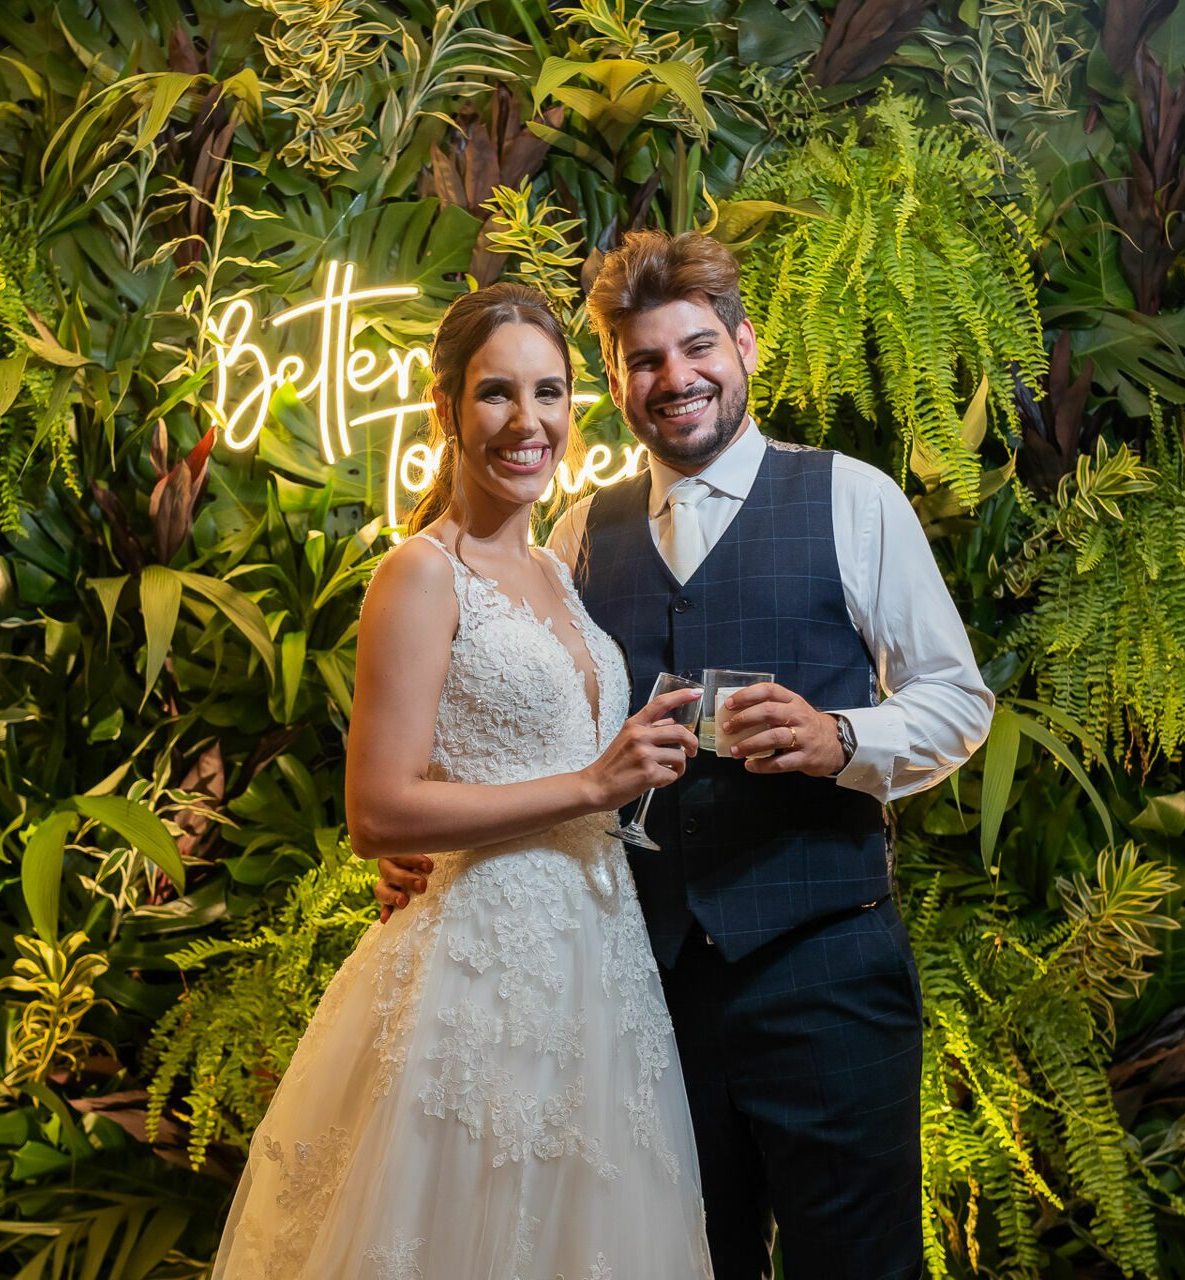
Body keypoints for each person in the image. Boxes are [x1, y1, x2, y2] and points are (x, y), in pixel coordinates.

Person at [375, 231, 995, 1280]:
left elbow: (956, 699)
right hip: (643, 989)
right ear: (613, 380)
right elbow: (525, 720)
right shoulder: (573, 535)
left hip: (826, 971)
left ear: (746, 346)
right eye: (645, 360)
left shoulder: (852, 497)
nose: (677, 379)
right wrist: (423, 837)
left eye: (698, 347)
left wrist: (842, 736)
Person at [209, 281, 715, 1280]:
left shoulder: (559, 569)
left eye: (551, 392)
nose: (528, 422)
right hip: (480, 972)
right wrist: (591, 784)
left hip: (596, 969)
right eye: (496, 394)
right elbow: (379, 807)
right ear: (445, 408)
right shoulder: (419, 574)